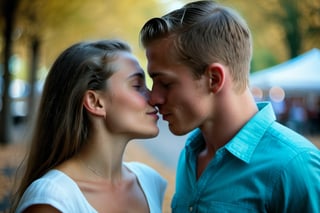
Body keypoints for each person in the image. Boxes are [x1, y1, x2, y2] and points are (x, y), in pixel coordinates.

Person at [139, 1, 320, 212]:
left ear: (214, 79)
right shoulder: (189, 155)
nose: (154, 98)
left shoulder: (295, 167)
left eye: (166, 83)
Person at [11, 39, 167, 213]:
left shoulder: (149, 182)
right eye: (137, 86)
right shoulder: (53, 200)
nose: (154, 97)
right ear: (95, 102)